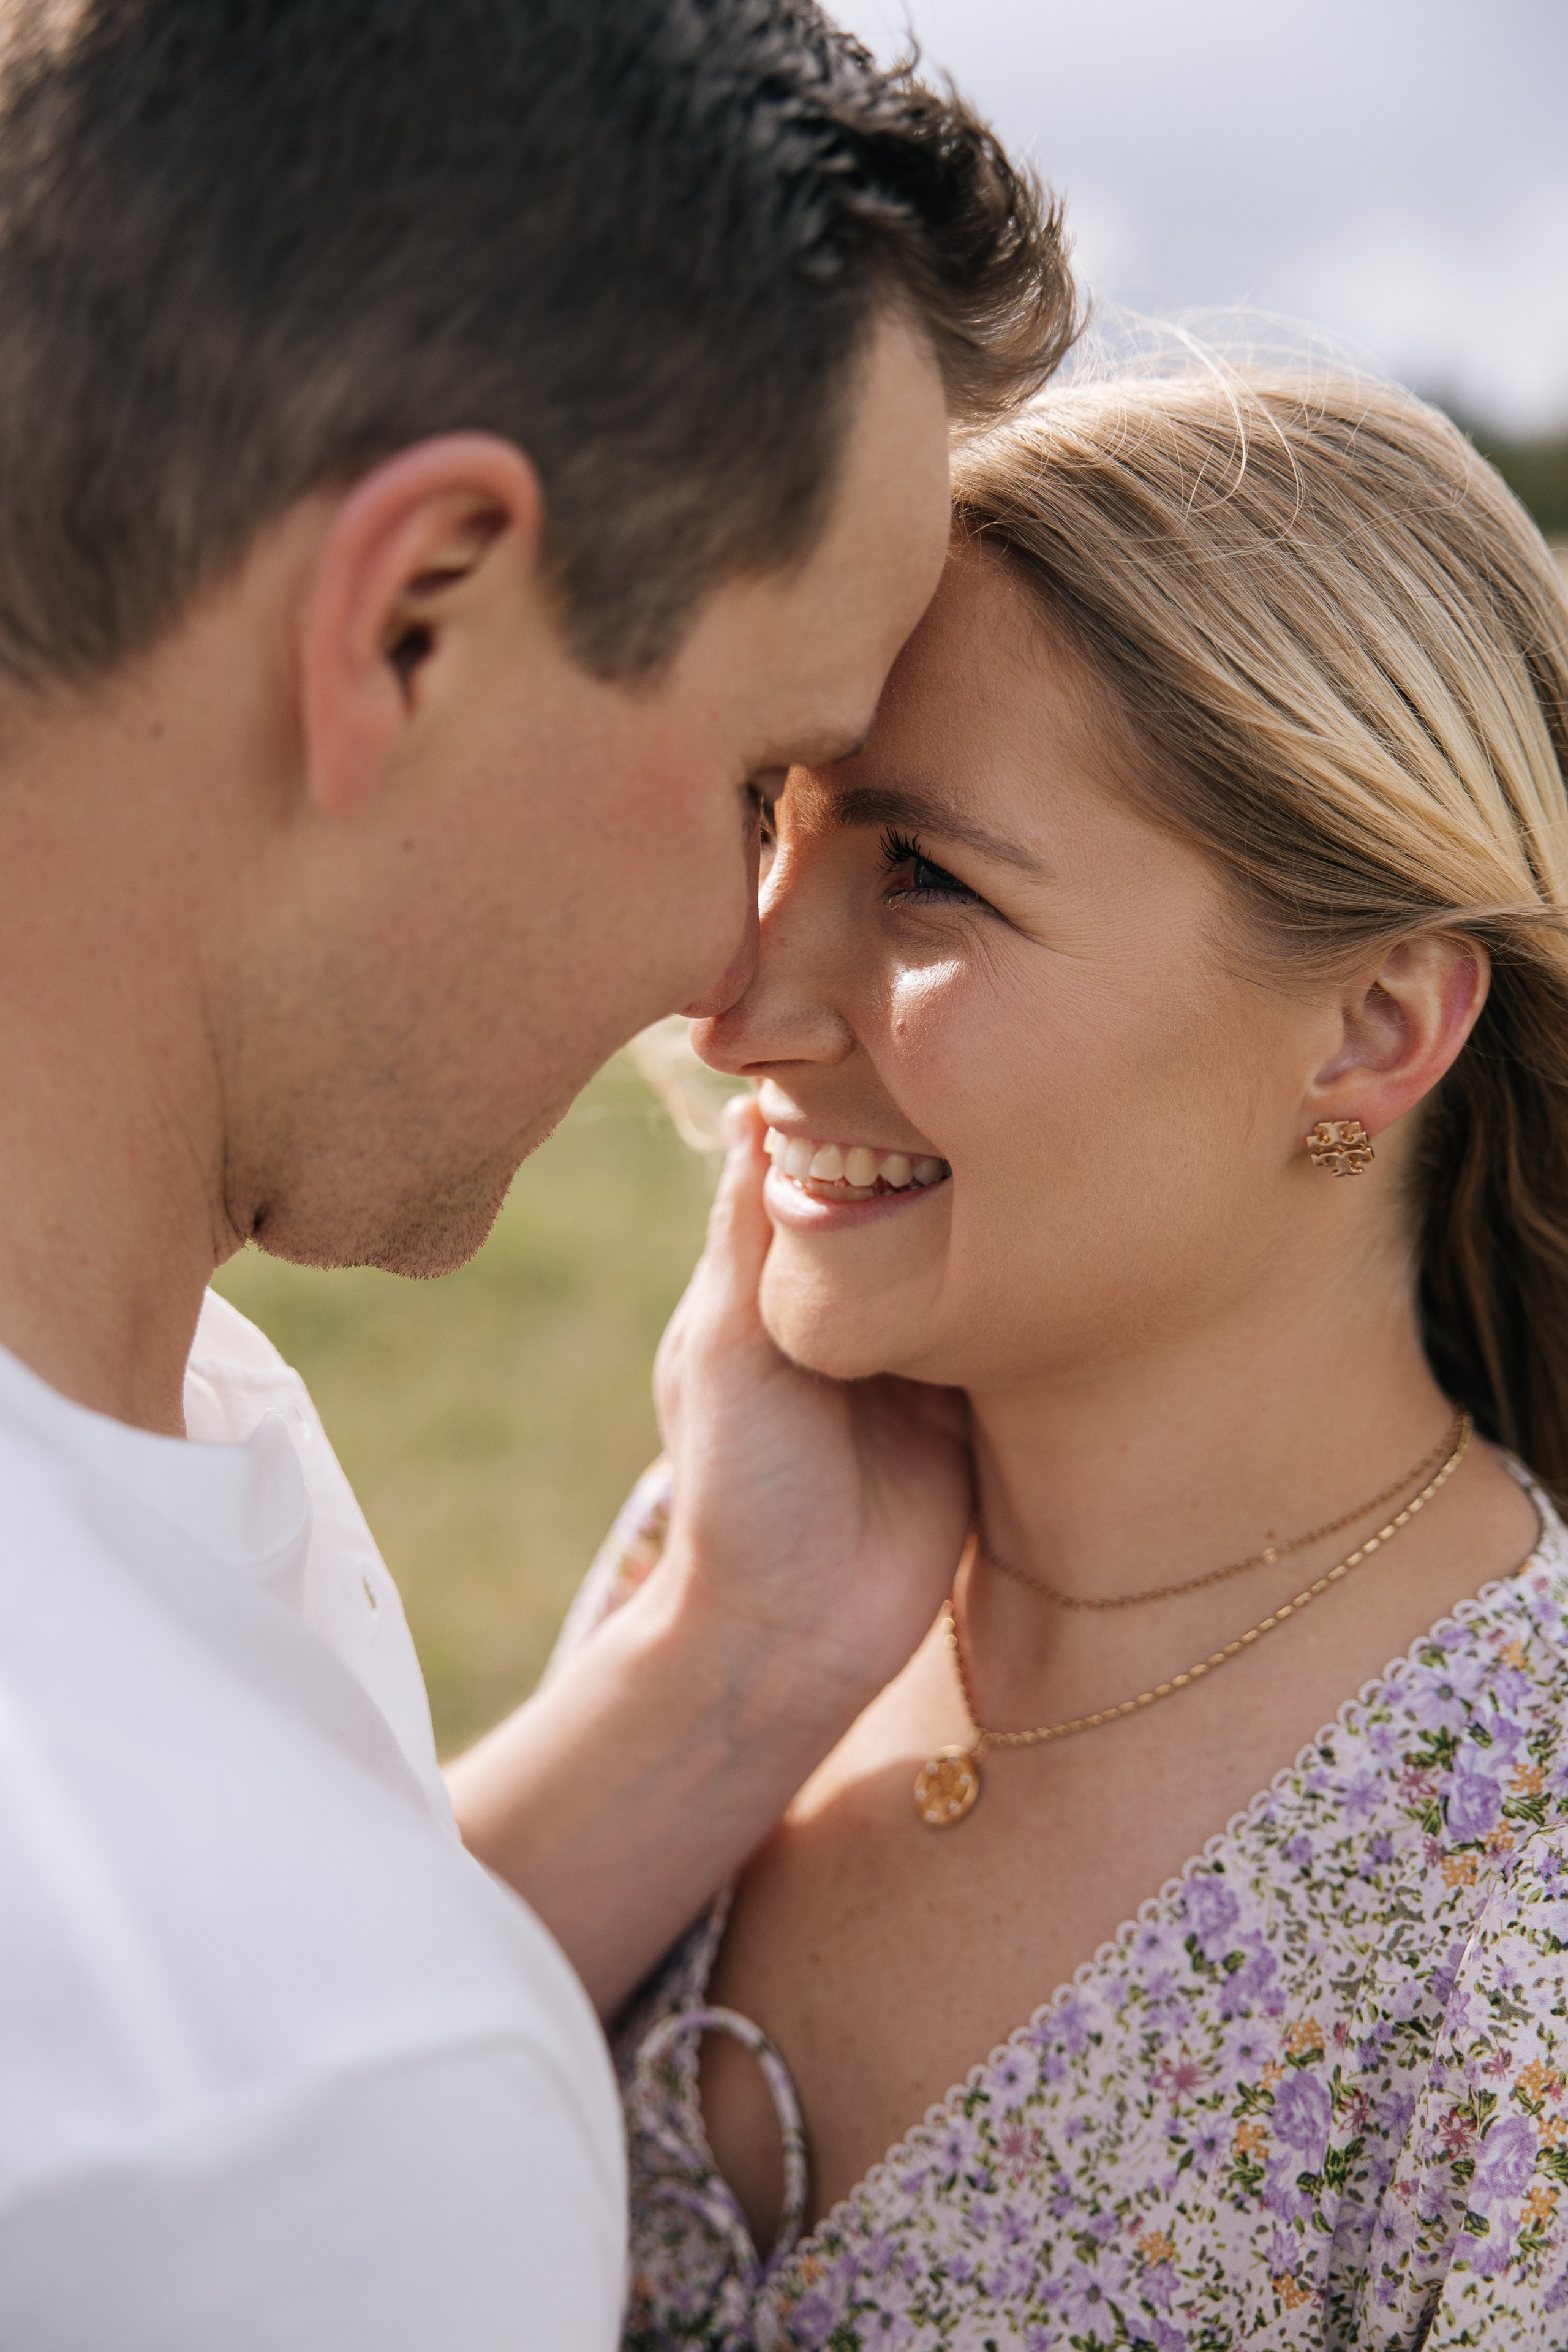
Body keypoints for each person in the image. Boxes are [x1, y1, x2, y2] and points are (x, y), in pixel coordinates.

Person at [0, 3, 1079, 2344]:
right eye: (755, 787)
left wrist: (733, 1660)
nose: (732, 987)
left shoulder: (147, 1416)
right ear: (414, 619)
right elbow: (278, 2085)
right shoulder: (297, 2103)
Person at [575, 369, 1568, 2346]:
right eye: (775, 836)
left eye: (923, 874)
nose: (737, 1010)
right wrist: (717, 1661)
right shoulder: (738, 1533)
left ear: (1374, 1028)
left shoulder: (1517, 1886)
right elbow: (254, 2145)